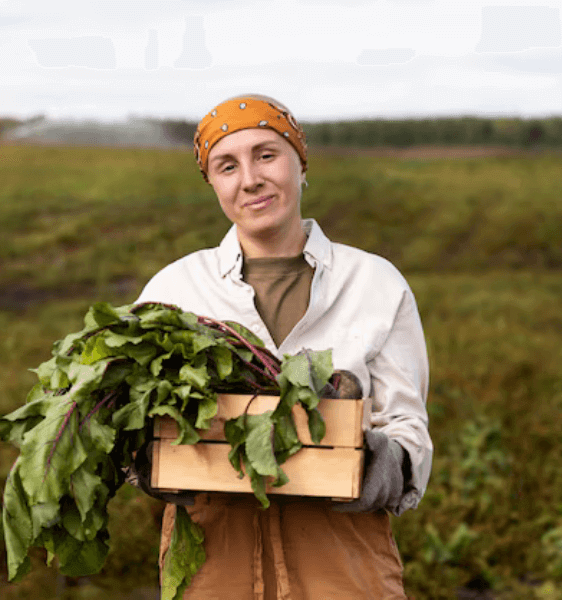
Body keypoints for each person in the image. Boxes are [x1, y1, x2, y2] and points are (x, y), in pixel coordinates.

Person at [134, 94, 431, 599]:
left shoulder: (375, 283)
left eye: (266, 154)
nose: (250, 178)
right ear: (213, 184)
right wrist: (153, 463)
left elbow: (409, 433)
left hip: (345, 559)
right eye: (227, 166)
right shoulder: (175, 289)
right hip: (212, 558)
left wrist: (361, 463)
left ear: (300, 161)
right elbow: (129, 418)